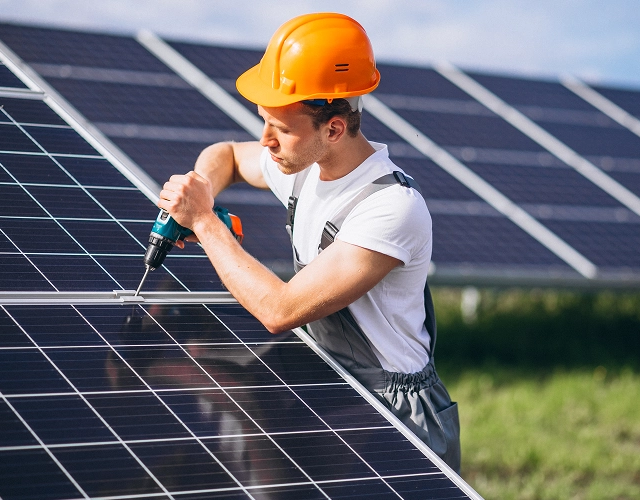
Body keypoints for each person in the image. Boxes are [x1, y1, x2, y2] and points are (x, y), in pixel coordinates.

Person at [158, 12, 460, 471]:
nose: (266, 141)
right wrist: (200, 186)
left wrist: (203, 220)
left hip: (392, 408)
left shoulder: (390, 207)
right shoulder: (303, 168)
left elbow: (279, 310)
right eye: (263, 121)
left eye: (280, 128)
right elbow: (227, 155)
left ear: (333, 129)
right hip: (332, 377)